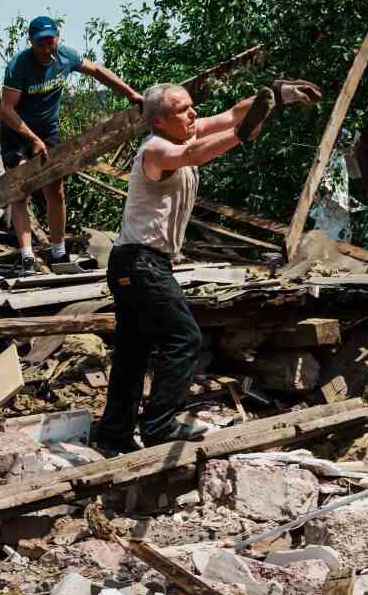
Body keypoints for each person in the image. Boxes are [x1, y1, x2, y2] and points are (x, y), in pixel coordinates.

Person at [94, 80, 280, 452]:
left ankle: (114, 433)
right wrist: (241, 135)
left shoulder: (183, 132)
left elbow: (232, 115)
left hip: (137, 261)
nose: (193, 113)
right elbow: (195, 154)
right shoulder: (157, 149)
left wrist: (275, 95)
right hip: (140, 262)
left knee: (134, 350)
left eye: (193, 107)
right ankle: (159, 424)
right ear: (160, 121)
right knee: (185, 338)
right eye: (183, 110)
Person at [0, 16, 142, 268]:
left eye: (50, 41)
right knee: (19, 190)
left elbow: (97, 71)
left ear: (57, 38)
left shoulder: (66, 56)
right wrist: (31, 139)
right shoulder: (19, 66)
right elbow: (7, 110)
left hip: (48, 131)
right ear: (31, 42)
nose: (46, 48)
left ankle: (58, 252)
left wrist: (130, 93)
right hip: (17, 132)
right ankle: (27, 256)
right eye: (40, 43)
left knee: (56, 190)